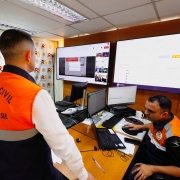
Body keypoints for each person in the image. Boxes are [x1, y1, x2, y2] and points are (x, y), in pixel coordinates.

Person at [0, 29, 95, 180]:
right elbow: (63, 144)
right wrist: (84, 175)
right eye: (35, 53)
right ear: (28, 55)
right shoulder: (35, 95)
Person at [126, 95, 180, 180]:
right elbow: (153, 125)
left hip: (156, 166)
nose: (145, 112)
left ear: (164, 114)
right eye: (146, 108)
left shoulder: (173, 138)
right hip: (147, 155)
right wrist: (139, 127)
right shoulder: (160, 119)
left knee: (129, 173)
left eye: (150, 111)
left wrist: (152, 169)